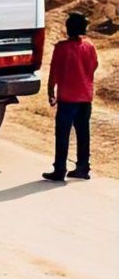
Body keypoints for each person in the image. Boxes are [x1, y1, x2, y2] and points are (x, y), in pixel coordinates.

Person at [43, 12, 98, 182]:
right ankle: (83, 167)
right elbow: (94, 66)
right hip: (85, 98)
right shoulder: (89, 46)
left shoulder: (61, 48)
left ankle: (60, 169)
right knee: (83, 133)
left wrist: (51, 92)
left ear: (68, 29)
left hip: (68, 98)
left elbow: (54, 72)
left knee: (62, 134)